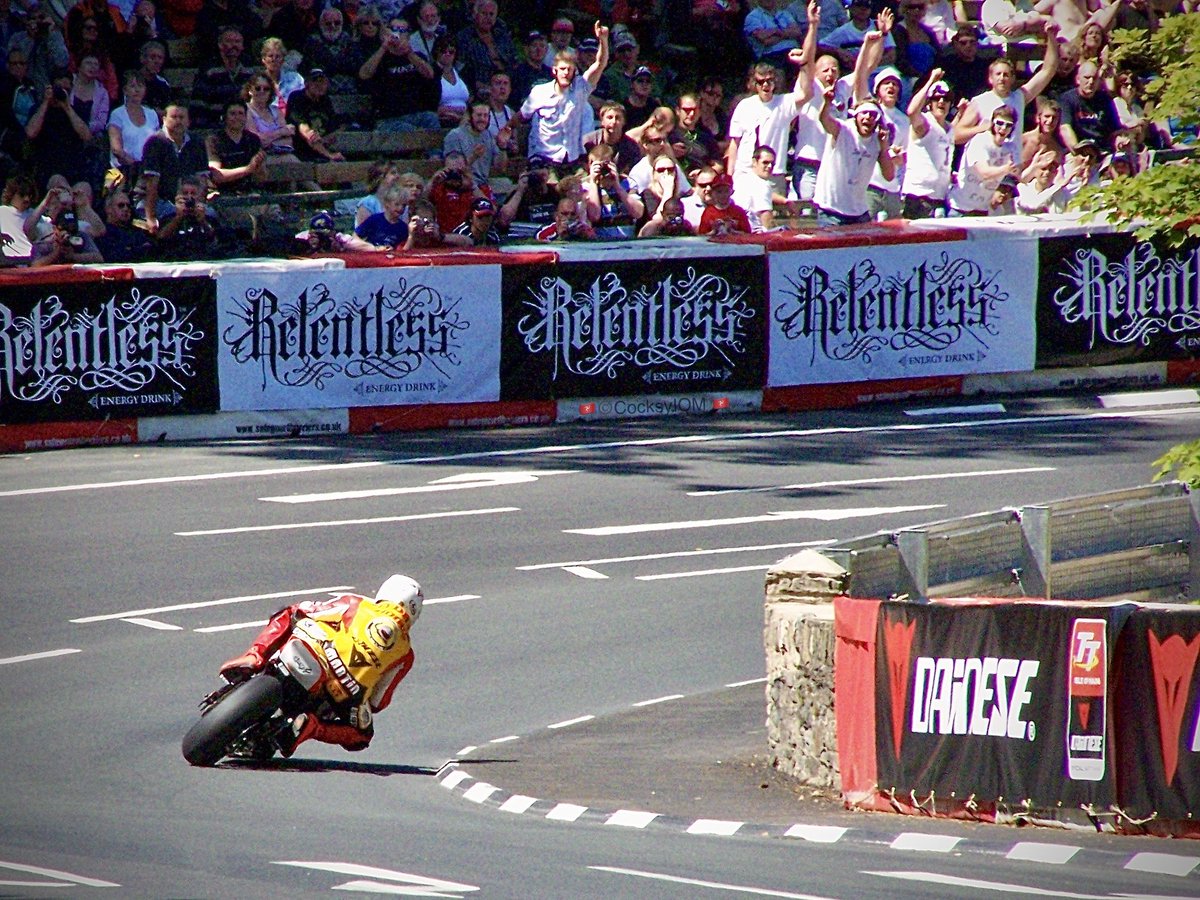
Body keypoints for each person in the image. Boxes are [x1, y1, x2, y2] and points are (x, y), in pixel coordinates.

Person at [217, 575, 423, 757]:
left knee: (289, 612)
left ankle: (254, 657)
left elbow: (309, 610)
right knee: (362, 735)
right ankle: (312, 727)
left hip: (315, 650)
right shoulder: (406, 654)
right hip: (344, 692)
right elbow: (379, 702)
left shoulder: (357, 603)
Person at [726, 41, 811, 208]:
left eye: (769, 81)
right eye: (760, 81)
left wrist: (804, 64)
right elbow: (734, 143)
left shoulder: (785, 103)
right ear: (754, 83)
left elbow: (806, 93)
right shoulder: (744, 106)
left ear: (775, 82)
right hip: (745, 173)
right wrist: (730, 175)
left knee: (774, 218)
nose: (765, 85)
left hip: (774, 173)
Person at [952, 22, 1060, 147]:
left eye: (1006, 75)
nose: (1002, 78)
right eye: (998, 74)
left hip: (1011, 161)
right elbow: (956, 136)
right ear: (990, 78)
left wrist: (1051, 37)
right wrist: (982, 128)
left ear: (1013, 78)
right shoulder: (980, 102)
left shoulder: (1020, 97)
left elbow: (1048, 71)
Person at [521, 21, 609, 169]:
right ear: (554, 70)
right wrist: (507, 130)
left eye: (569, 69)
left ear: (575, 71)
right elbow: (521, 117)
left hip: (571, 158)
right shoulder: (540, 91)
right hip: (544, 158)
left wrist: (603, 40)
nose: (566, 73)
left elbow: (600, 63)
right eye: (562, 69)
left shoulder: (581, 88)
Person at [359, 14, 440, 131]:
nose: (398, 33)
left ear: (408, 34)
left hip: (416, 114)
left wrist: (409, 53)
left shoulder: (417, 56)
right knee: (408, 130)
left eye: (402, 30)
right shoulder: (379, 57)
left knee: (432, 119)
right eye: (394, 29)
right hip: (389, 118)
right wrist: (384, 47)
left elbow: (429, 74)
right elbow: (364, 74)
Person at [139, 102, 210, 230]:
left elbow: (202, 181)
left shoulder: (197, 142)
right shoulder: (155, 142)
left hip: (189, 199)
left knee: (212, 216)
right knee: (170, 217)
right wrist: (150, 217)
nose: (178, 121)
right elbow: (151, 185)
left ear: (188, 121)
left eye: (182, 118)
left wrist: (197, 205)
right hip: (160, 200)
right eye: (174, 117)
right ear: (164, 120)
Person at [947, 103, 1021, 215]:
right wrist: (1005, 169)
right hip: (960, 208)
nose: (1003, 128)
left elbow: (1020, 177)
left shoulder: (1010, 148)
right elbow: (984, 172)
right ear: (992, 123)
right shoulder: (980, 141)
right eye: (999, 123)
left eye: (1008, 125)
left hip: (981, 210)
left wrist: (1035, 166)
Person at [901, 70, 954, 218]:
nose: (942, 102)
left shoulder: (950, 128)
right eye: (937, 98)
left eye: (946, 98)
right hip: (919, 197)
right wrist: (930, 81)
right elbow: (911, 111)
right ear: (929, 103)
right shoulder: (925, 123)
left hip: (940, 198)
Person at [191, 25, 255, 128]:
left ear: (242, 46)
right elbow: (199, 105)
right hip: (215, 127)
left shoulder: (249, 71)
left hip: (244, 127)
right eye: (229, 41)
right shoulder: (209, 71)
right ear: (220, 45)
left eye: (237, 42)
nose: (234, 45)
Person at [1057, 58, 1122, 152]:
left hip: (1102, 150)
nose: (1091, 82)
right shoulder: (1067, 99)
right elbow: (1065, 128)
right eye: (1087, 77)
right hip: (1078, 150)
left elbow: (1116, 130)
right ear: (1078, 79)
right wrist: (1077, 149)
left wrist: (1120, 140)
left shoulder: (1105, 99)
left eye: (1094, 78)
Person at [108, 71, 160, 186]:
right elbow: (116, 149)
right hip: (120, 171)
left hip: (148, 171)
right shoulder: (117, 114)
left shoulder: (152, 114)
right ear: (125, 90)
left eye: (140, 86)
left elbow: (157, 143)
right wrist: (134, 166)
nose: (136, 90)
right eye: (132, 86)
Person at [582, 141, 642, 238]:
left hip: (627, 240)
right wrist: (593, 182)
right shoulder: (585, 186)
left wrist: (617, 185)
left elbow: (638, 213)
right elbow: (594, 216)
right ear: (590, 165)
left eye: (606, 164)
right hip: (600, 243)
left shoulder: (628, 183)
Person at [455, 0, 517, 95]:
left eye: (491, 14)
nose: (488, 18)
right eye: (484, 13)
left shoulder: (502, 36)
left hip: (506, 87)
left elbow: (514, 62)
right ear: (475, 15)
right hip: (479, 89)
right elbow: (460, 68)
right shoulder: (464, 37)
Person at [206, 99, 266, 194]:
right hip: (224, 194)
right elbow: (216, 176)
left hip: (250, 192)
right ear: (224, 117)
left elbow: (261, 178)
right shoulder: (214, 140)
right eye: (232, 113)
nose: (237, 117)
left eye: (241, 113)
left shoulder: (253, 140)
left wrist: (258, 167)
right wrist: (248, 169)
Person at [154, 174, 221, 259]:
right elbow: (161, 238)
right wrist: (178, 218)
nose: (189, 197)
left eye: (193, 193)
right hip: (174, 257)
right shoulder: (168, 214)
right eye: (185, 193)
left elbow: (216, 240)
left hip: (202, 257)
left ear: (200, 196)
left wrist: (202, 221)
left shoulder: (209, 214)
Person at [286, 69, 345, 161]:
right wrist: (329, 155)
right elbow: (305, 131)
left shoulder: (325, 100)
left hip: (322, 146)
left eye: (323, 82)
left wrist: (325, 140)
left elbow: (334, 130)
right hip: (300, 148)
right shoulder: (297, 98)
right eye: (315, 81)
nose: (319, 85)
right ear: (306, 83)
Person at [444, 98, 507, 183]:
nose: (482, 119)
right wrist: (473, 156)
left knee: (506, 183)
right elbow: (452, 170)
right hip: (462, 184)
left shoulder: (488, 135)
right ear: (470, 116)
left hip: (483, 183)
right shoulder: (455, 135)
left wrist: (503, 147)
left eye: (485, 115)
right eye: (479, 115)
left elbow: (500, 168)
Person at [423, 148, 487, 232]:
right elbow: (420, 203)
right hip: (445, 236)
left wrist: (472, 185)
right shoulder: (438, 188)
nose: (455, 175)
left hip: (470, 236)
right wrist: (432, 181)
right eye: (451, 171)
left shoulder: (478, 189)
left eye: (459, 171)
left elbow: (491, 210)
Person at [244, 72, 297, 158]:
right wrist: (281, 132)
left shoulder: (277, 111)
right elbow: (255, 140)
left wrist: (268, 139)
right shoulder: (245, 110)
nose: (262, 91)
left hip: (284, 154)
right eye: (258, 88)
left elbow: (288, 141)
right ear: (250, 90)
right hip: (258, 157)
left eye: (266, 89)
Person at [94, 188, 154, 261]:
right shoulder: (102, 232)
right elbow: (113, 256)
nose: (126, 209)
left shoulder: (137, 231)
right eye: (121, 205)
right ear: (108, 209)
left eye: (128, 206)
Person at [743, 0, 804, 70]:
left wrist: (777, 33)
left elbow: (797, 32)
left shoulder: (784, 13)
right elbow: (763, 38)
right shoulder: (752, 17)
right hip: (771, 56)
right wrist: (778, 31)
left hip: (794, 51)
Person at [30, 207, 103, 265]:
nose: (68, 232)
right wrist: (56, 253)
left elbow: (98, 258)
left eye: (72, 229)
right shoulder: (46, 242)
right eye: (64, 228)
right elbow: (35, 264)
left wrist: (73, 256)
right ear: (55, 229)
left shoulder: (81, 237)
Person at [583, 100, 640, 172]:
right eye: (610, 117)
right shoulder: (587, 142)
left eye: (618, 118)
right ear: (602, 121)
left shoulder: (631, 147)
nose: (614, 122)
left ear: (624, 121)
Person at [351, 181, 410, 249]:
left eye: (404, 205)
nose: (400, 208)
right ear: (387, 204)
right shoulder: (374, 219)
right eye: (397, 204)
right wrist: (370, 247)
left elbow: (403, 248)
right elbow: (355, 235)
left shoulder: (403, 227)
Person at [432, 35, 469, 126]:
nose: (447, 54)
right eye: (443, 51)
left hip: (464, 119)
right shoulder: (431, 74)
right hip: (443, 119)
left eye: (451, 52)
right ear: (437, 51)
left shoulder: (462, 73)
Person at [404, 196, 469, 248]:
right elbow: (402, 257)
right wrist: (411, 237)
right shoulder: (404, 237)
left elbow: (468, 242)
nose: (424, 223)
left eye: (428, 220)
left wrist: (440, 237)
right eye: (421, 219)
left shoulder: (438, 239)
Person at [510, 29, 551, 107]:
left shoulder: (551, 73)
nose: (538, 49)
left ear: (546, 50)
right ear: (526, 49)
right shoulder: (517, 73)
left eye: (542, 46)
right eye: (534, 45)